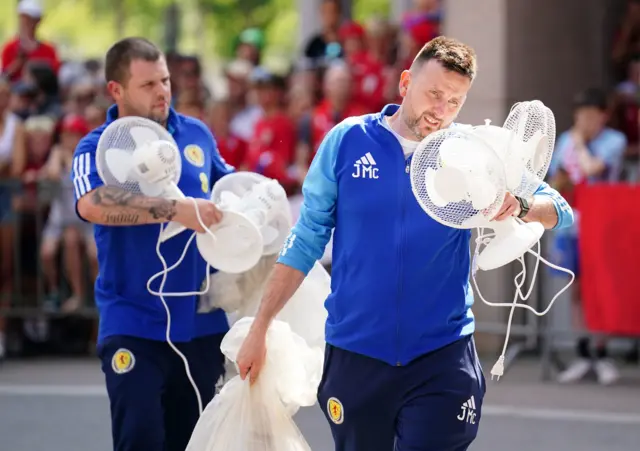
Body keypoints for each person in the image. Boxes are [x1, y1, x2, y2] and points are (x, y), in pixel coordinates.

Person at [236, 36, 574, 451]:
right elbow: (305, 240)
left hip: (442, 355)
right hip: (356, 353)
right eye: (434, 94)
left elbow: (560, 208)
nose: (442, 110)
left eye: (455, 101)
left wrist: (520, 204)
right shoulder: (347, 141)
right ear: (405, 82)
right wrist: (260, 327)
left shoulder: (474, 153)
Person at [70, 37, 231, 451]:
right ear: (116, 90)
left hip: (201, 324)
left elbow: (229, 189)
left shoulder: (196, 132)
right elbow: (92, 203)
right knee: (139, 438)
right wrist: (173, 210)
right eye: (147, 85)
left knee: (194, 442)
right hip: (132, 322)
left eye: (164, 80)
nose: (162, 91)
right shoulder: (96, 147)